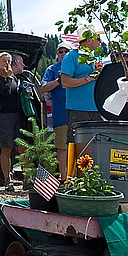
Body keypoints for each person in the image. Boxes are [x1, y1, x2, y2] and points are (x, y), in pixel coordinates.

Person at [0, 52, 23, 191]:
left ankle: (27, 178)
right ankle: (7, 178)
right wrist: (8, 77)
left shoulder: (14, 78)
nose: (7, 64)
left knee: (21, 146)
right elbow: (6, 92)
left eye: (9, 61)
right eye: (4, 61)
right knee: (6, 148)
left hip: (17, 115)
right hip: (3, 116)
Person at [60, 26, 104, 127]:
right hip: (78, 109)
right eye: (97, 38)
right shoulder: (71, 56)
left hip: (97, 108)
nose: (100, 41)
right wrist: (89, 78)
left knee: (97, 142)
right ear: (89, 40)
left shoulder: (97, 57)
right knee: (76, 142)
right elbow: (65, 82)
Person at [40, 40, 73, 175]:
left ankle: (77, 177)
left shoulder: (76, 67)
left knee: (78, 146)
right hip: (60, 114)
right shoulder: (52, 70)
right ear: (57, 55)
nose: (64, 54)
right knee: (61, 147)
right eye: (61, 52)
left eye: (67, 52)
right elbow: (43, 88)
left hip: (77, 112)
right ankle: (63, 177)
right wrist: (59, 81)